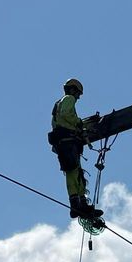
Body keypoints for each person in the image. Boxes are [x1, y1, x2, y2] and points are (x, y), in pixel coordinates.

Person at [49, 78, 103, 223]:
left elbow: (62, 121)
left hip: (65, 143)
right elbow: (67, 115)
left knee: (75, 172)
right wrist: (79, 123)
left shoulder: (58, 105)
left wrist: (81, 125)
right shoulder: (69, 99)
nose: (78, 97)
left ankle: (80, 204)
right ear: (73, 90)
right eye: (78, 93)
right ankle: (78, 204)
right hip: (67, 143)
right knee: (73, 172)